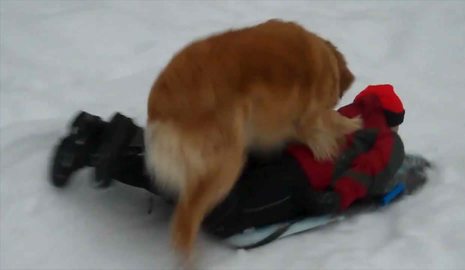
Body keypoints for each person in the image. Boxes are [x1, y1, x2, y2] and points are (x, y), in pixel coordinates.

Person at [50, 84, 430, 239]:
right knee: (223, 212)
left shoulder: (340, 115)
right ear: (393, 121)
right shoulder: (384, 139)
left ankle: (101, 139)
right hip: (299, 178)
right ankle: (111, 147)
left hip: (270, 152)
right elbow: (371, 171)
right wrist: (337, 198)